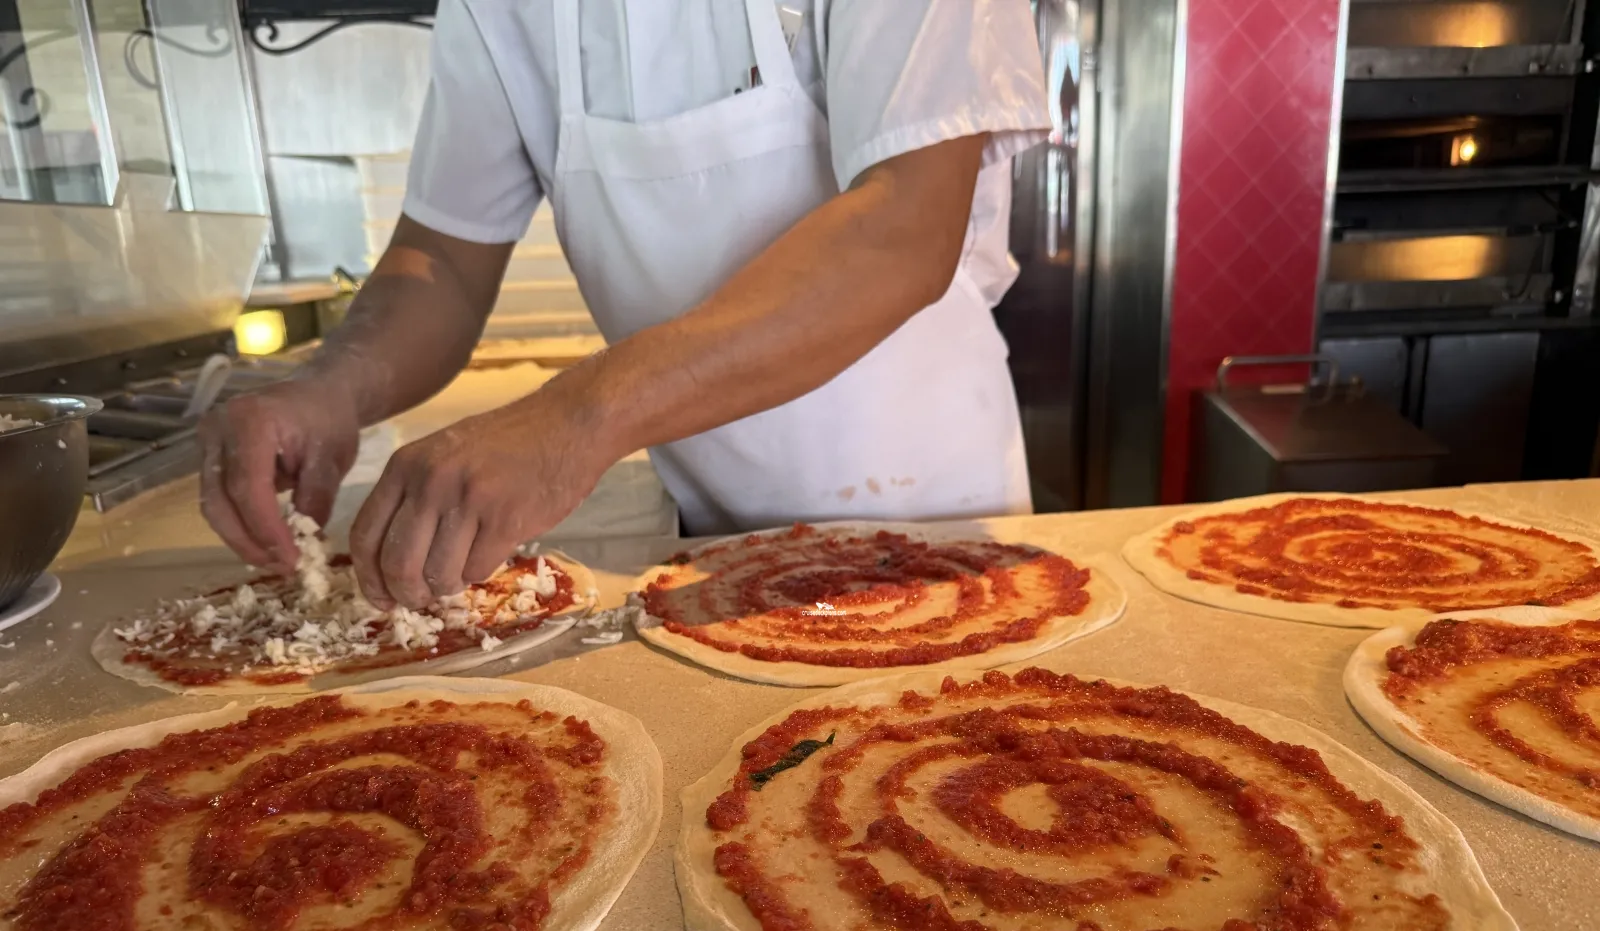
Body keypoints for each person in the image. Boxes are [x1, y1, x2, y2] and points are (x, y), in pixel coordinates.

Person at [200, 0, 1050, 611]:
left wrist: (575, 421)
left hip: (933, 524)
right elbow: (447, 256)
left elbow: (904, 230)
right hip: (704, 534)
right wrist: (334, 386)